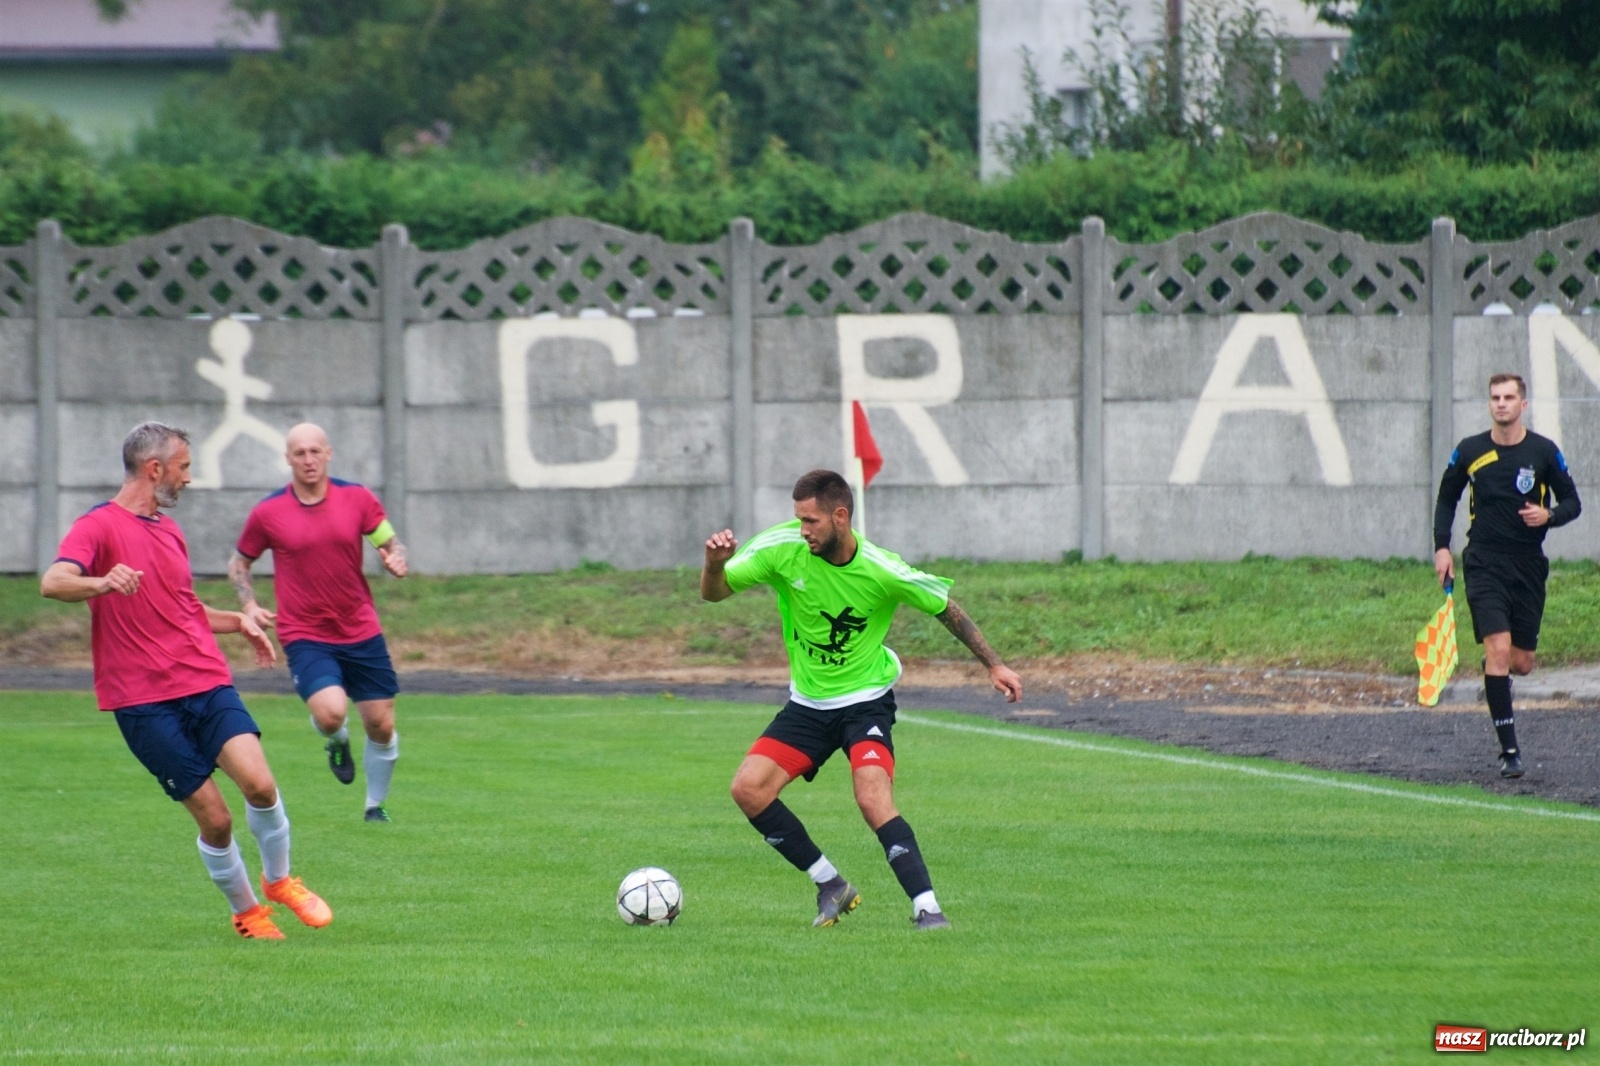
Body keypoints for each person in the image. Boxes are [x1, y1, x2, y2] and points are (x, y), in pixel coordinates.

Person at [41, 422, 333, 940]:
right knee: (216, 821)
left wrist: (236, 620)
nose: (189, 478)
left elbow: (184, 607)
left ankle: (281, 880)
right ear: (155, 469)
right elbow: (54, 581)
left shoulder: (168, 529)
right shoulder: (99, 526)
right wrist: (101, 582)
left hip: (204, 680)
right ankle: (247, 913)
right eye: (184, 467)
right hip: (143, 702)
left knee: (261, 785)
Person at [701, 469, 1023, 931]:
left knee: (872, 798)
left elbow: (945, 607)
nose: (802, 530)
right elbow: (715, 594)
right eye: (798, 519)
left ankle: (927, 908)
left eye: (811, 520)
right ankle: (830, 885)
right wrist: (714, 564)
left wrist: (994, 664)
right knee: (748, 790)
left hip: (865, 704)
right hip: (808, 705)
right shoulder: (781, 549)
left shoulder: (881, 568)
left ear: (840, 516)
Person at [229, 423, 408, 822]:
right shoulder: (269, 512)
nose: (308, 460)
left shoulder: (357, 498)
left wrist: (396, 556)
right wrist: (250, 604)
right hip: (305, 633)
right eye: (299, 453)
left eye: (315, 452)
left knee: (380, 724)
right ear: (288, 459)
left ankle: (374, 806)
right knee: (331, 713)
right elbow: (240, 562)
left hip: (360, 628)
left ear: (329, 454)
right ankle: (336, 739)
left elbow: (389, 539)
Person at [1434, 373, 1581, 779]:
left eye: (1509, 397)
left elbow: (1573, 502)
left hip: (1528, 565)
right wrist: (1442, 547)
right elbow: (1447, 498)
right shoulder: (1470, 450)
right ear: (1489, 404)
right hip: (1483, 562)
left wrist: (1548, 515)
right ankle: (1509, 751)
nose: (1501, 403)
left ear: (1523, 404)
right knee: (1498, 648)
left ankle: (1496, 666)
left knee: (1521, 662)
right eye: (1495, 397)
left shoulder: (1543, 452)